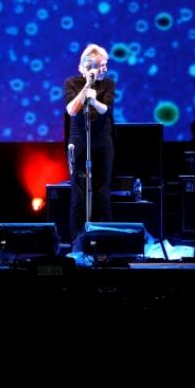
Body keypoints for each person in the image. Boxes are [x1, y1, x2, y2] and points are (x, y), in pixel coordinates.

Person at [64, 43, 116, 242]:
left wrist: (94, 101)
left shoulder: (108, 84)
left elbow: (106, 110)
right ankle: (78, 241)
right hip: (79, 140)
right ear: (90, 67)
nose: (105, 69)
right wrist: (87, 85)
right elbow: (71, 110)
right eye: (102, 65)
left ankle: (104, 240)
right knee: (79, 193)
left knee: (102, 191)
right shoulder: (72, 83)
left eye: (106, 64)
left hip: (102, 141)